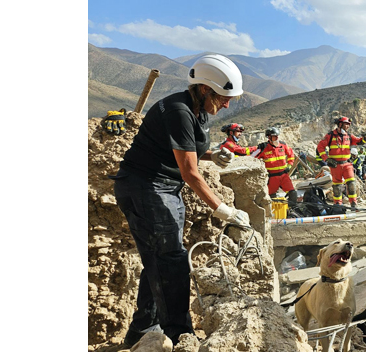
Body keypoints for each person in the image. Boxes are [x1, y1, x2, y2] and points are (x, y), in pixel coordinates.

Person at [110, 54, 251, 347]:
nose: (226, 104)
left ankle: (141, 332)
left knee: (157, 259)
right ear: (204, 88)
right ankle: (180, 335)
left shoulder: (196, 109)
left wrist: (213, 155)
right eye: (223, 97)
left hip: (161, 187)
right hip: (145, 187)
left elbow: (182, 148)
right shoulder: (178, 110)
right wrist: (223, 210)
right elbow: (190, 173)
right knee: (172, 261)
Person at [316, 116, 366, 211]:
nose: (348, 126)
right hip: (335, 165)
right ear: (340, 124)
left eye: (349, 125)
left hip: (347, 164)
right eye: (346, 124)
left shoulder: (349, 136)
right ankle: (338, 205)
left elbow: (360, 141)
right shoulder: (330, 135)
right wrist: (326, 159)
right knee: (337, 186)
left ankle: (353, 204)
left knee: (351, 183)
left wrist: (365, 137)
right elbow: (320, 146)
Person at [250, 127, 298, 206]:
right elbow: (251, 158)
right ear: (269, 137)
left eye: (277, 136)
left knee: (293, 193)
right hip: (272, 177)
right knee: (271, 197)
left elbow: (291, 154)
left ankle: (291, 210)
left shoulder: (283, 145)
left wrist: (290, 165)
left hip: (284, 176)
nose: (277, 138)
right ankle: (275, 214)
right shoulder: (263, 147)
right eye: (274, 136)